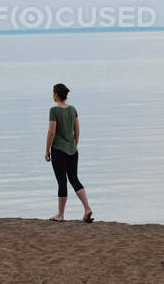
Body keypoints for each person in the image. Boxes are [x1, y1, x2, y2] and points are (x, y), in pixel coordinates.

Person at [45, 83, 94, 223]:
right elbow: (77, 130)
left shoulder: (54, 110)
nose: (52, 95)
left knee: (62, 182)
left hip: (59, 151)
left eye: (53, 92)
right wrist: (74, 145)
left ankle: (60, 215)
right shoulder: (73, 110)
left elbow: (51, 132)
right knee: (74, 179)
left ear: (56, 94)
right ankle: (87, 208)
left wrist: (47, 150)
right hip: (73, 150)